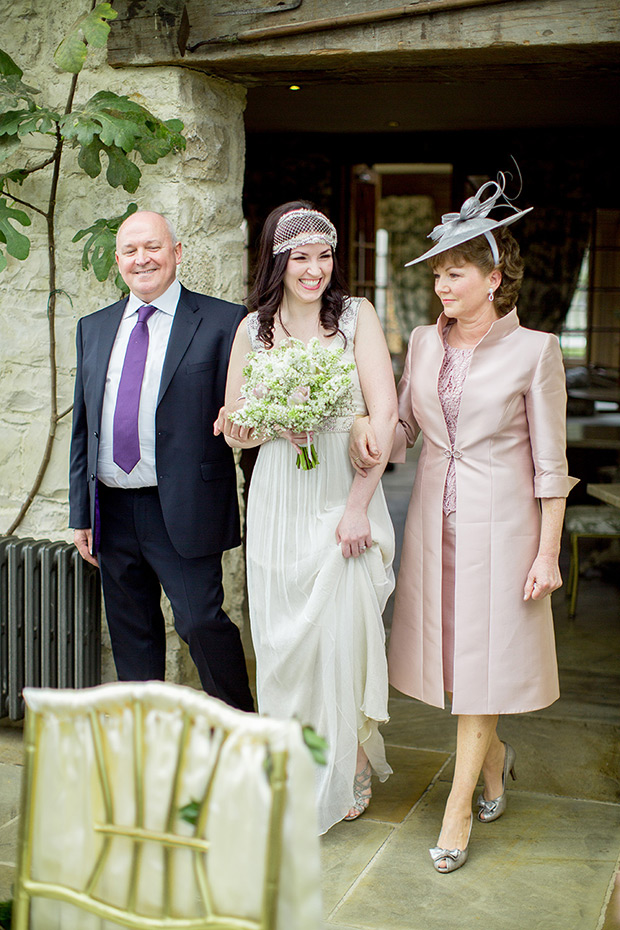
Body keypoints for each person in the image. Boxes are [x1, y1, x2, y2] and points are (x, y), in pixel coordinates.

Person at [350, 177, 577, 871]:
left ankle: (456, 811)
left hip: (505, 530)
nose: (441, 285)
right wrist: (358, 428)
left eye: (455, 273)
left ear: (492, 277)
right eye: (438, 273)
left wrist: (547, 553)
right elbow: (406, 432)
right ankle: (496, 757)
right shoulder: (421, 342)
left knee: (483, 667)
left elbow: (550, 465)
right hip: (431, 524)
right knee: (449, 662)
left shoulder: (535, 352)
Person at [216, 202, 397, 833]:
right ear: (277, 260)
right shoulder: (252, 331)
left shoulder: (355, 318)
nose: (314, 269)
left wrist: (356, 512)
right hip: (276, 499)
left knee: (337, 635)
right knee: (281, 639)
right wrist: (263, 422)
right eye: (300, 257)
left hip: (339, 495)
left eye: (324, 255)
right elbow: (236, 427)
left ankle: (347, 761)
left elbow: (385, 416)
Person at [69, 210, 254, 712]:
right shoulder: (94, 327)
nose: (141, 258)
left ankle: (244, 737)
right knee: (133, 639)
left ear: (177, 252)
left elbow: (247, 414)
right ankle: (145, 753)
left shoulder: (223, 322)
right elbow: (84, 425)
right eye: (130, 250)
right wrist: (80, 514)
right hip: (112, 508)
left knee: (201, 623)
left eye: (152, 247)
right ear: (117, 261)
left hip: (184, 505)